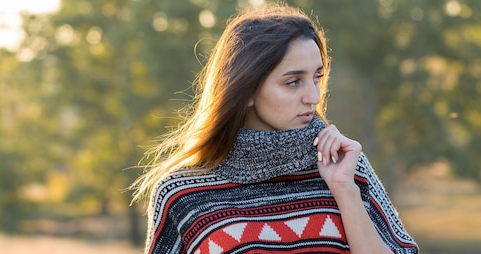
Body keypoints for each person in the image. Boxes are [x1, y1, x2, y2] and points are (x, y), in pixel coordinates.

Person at [131, 5, 418, 254]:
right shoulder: (182, 193)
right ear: (248, 90)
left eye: (317, 77)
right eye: (293, 82)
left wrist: (345, 191)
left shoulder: (348, 169)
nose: (313, 97)